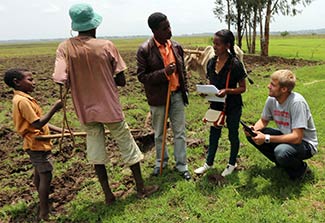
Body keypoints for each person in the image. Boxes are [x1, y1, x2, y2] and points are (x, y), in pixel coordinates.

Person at [52, 3, 159, 203]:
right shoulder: (106, 46)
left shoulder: (64, 47)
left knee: (96, 152)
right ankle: (141, 188)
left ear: (75, 25)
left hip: (85, 110)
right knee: (127, 145)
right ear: (94, 24)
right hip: (109, 108)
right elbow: (121, 80)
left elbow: (59, 77)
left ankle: (109, 196)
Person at [136, 12, 191, 180]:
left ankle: (182, 165)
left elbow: (183, 72)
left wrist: (184, 90)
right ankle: (161, 162)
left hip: (177, 96)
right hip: (159, 98)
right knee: (160, 133)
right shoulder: (145, 50)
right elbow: (142, 77)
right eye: (165, 28)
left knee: (179, 132)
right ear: (154, 31)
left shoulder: (176, 47)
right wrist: (164, 73)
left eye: (169, 26)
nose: (170, 31)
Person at [3, 68, 63, 220]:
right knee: (46, 175)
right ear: (17, 82)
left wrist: (62, 131)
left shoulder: (23, 99)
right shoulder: (22, 101)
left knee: (39, 175)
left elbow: (40, 123)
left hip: (36, 143)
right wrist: (55, 108)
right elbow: (38, 124)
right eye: (30, 80)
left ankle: (44, 206)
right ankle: (45, 212)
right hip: (36, 144)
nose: (34, 83)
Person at [244, 69, 318, 180]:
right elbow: (263, 121)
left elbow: (297, 137)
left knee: (282, 152)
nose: (268, 86)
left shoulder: (297, 103)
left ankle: (301, 170)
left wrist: (267, 138)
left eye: (273, 85)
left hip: (305, 144)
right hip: (288, 136)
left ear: (284, 89)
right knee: (253, 135)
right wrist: (254, 129)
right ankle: (282, 163)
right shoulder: (272, 99)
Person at [194, 29, 246, 177]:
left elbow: (243, 88)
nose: (214, 47)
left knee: (232, 134)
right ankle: (208, 163)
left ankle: (231, 164)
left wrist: (227, 91)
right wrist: (207, 91)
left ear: (227, 45)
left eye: (218, 44)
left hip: (233, 105)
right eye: (213, 43)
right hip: (216, 105)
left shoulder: (235, 64)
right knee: (213, 134)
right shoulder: (211, 63)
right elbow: (212, 82)